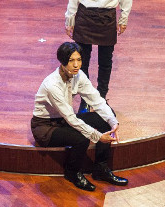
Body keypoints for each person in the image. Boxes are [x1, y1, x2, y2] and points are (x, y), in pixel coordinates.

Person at [31, 42, 127, 191]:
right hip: (46, 127)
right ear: (62, 62)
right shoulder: (52, 84)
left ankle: (101, 168)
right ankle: (73, 173)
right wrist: (98, 136)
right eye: (71, 61)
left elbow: (96, 100)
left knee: (106, 118)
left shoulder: (79, 75)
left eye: (79, 60)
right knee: (82, 138)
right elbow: (71, 118)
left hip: (64, 120)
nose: (76, 65)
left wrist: (113, 122)